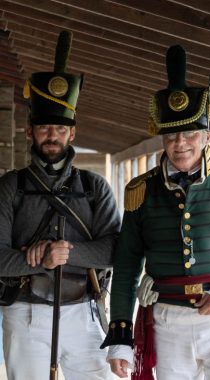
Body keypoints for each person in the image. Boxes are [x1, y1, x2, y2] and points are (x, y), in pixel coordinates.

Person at [100, 44, 210, 380]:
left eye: (189, 133)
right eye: (171, 135)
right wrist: (121, 334)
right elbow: (126, 265)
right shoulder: (142, 190)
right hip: (168, 321)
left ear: (207, 137)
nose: (180, 143)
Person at [0, 31, 120, 380]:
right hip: (25, 312)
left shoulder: (95, 186)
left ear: (73, 133)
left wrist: (66, 253)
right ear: (29, 131)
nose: (51, 135)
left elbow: (116, 247)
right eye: (44, 128)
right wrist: (32, 260)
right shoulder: (10, 187)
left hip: (83, 310)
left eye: (60, 128)